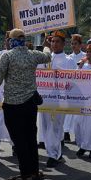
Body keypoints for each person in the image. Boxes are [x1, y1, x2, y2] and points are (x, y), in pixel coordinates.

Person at [0, 29, 51, 180]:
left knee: (19, 140)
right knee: (30, 138)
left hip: (13, 105)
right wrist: (46, 45)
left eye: (8, 39)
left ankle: (25, 173)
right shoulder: (33, 55)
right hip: (30, 104)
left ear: (12, 40)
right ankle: (34, 171)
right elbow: (47, 56)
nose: (7, 41)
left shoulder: (7, 56)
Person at [38, 31, 74, 168]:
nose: (54, 44)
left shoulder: (69, 60)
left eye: (57, 41)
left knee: (55, 127)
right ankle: (54, 153)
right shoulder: (45, 58)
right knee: (46, 127)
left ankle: (53, 155)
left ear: (64, 44)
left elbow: (74, 80)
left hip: (60, 99)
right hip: (45, 98)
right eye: (52, 41)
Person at [64, 33, 85, 142]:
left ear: (80, 45)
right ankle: (66, 132)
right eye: (72, 44)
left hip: (82, 88)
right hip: (70, 87)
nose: (73, 46)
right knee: (68, 111)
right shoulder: (68, 57)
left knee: (79, 113)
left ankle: (79, 134)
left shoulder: (85, 57)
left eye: (75, 44)